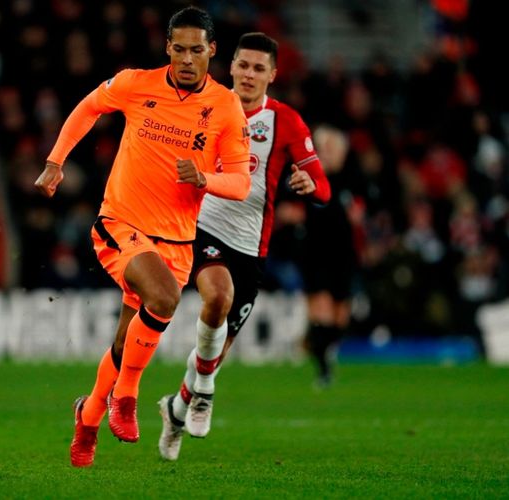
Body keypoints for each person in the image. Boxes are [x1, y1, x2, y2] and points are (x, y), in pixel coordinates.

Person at [34, 6, 251, 467]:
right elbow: (91, 105)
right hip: (120, 224)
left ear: (212, 51)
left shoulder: (226, 106)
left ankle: (88, 415)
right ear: (167, 48)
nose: (187, 59)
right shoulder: (137, 83)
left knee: (123, 340)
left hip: (176, 240)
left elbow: (240, 183)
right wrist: (56, 160)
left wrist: (205, 179)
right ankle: (127, 396)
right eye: (179, 49)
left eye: (197, 50)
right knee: (166, 299)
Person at [157, 32, 331, 461]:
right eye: (243, 65)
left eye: (259, 68)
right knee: (217, 295)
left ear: (273, 74)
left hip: (251, 245)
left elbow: (323, 187)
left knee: (212, 350)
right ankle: (205, 393)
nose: (250, 74)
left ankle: (178, 407)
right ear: (230, 66)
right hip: (201, 227)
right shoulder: (203, 105)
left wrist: (309, 186)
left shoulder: (285, 121)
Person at [300, 124, 359, 388]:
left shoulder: (352, 182)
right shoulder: (308, 179)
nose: (327, 153)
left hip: (344, 256)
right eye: (323, 148)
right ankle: (323, 370)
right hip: (316, 254)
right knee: (322, 310)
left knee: (340, 317)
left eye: (332, 149)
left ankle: (317, 347)